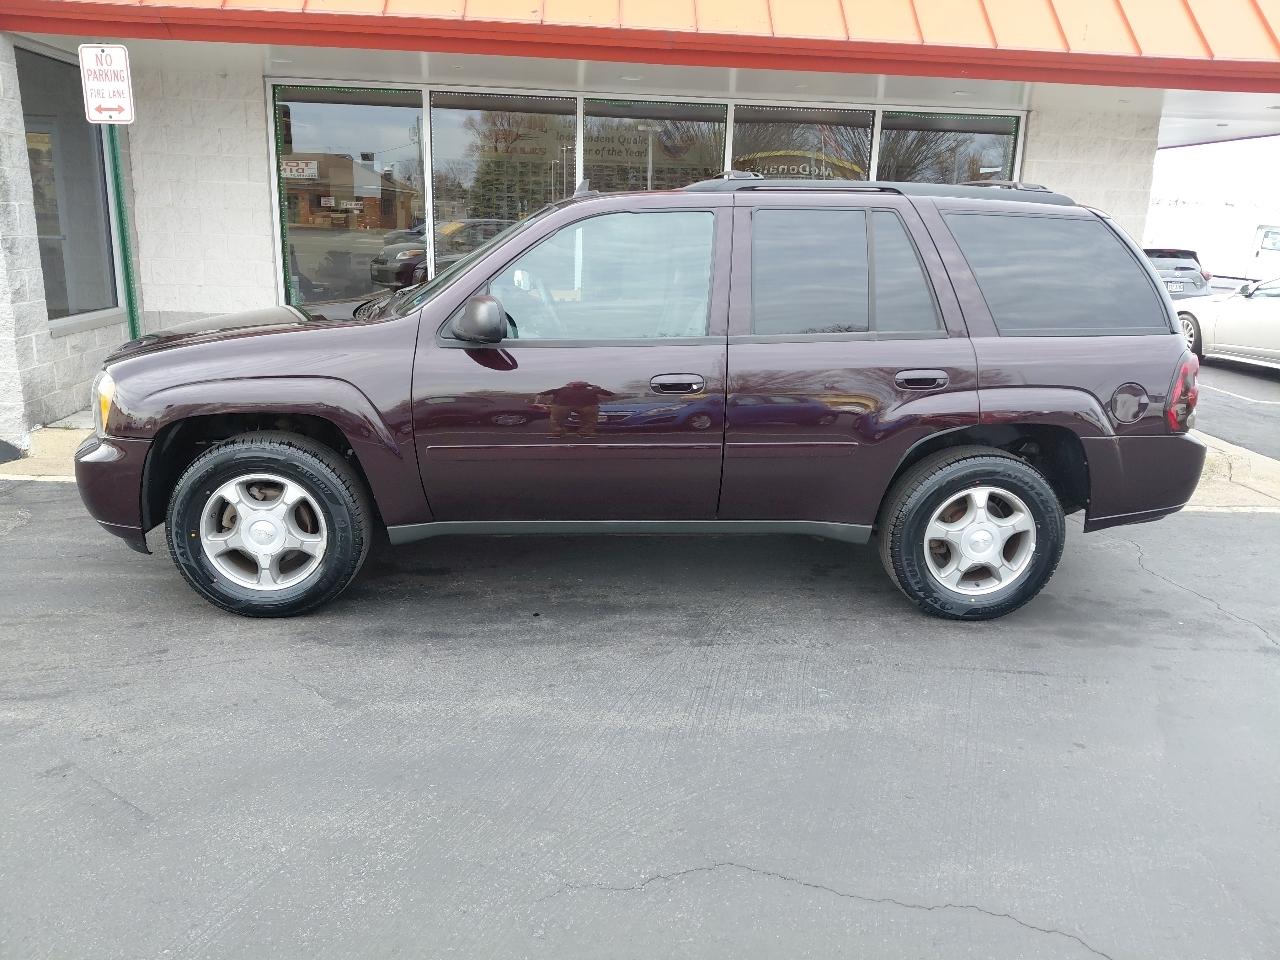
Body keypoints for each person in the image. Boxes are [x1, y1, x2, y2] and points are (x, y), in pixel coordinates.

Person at [535, 381, 615, 439]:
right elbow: (610, 394)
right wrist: (596, 387)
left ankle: (558, 432)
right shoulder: (592, 390)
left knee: (556, 419)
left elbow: (546, 392)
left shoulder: (562, 389)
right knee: (590, 419)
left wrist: (540, 395)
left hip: (563, 405)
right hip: (586, 406)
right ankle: (585, 433)